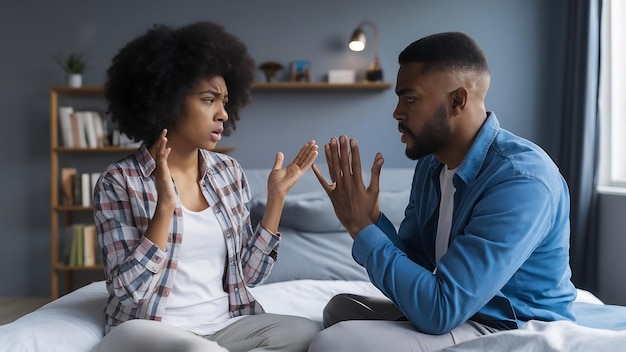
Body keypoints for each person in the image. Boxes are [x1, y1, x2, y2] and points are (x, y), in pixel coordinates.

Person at [308, 31, 577, 351]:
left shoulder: (521, 181)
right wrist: (372, 220)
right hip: (461, 313)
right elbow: (416, 265)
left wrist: (360, 228)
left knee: (334, 342)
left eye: (409, 98)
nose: (396, 112)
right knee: (341, 309)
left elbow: (439, 310)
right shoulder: (432, 166)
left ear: (457, 101)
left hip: (513, 327)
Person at [92, 21, 320, 352]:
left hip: (223, 326)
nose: (223, 115)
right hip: (147, 327)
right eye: (209, 99)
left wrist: (276, 200)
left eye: (225, 102)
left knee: (311, 333)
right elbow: (129, 292)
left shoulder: (228, 172)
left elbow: (249, 276)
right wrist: (165, 207)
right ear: (166, 99)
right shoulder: (120, 181)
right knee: (201, 351)